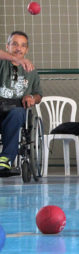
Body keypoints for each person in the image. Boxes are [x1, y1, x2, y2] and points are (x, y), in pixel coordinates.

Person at [0, 31, 42, 171]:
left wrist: (31, 98)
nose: (19, 48)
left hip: (17, 110)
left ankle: (6, 159)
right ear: (7, 46)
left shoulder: (31, 71)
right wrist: (17, 60)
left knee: (18, 113)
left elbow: (38, 95)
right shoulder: (2, 63)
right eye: (15, 44)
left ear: (27, 49)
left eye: (23, 45)